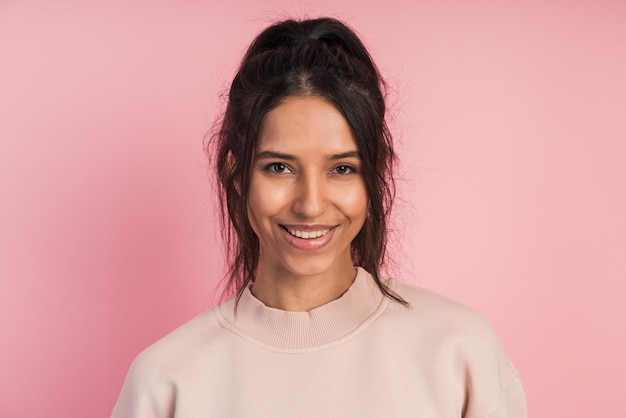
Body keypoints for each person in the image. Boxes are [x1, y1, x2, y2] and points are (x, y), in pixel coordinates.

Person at [111, 17, 527, 417]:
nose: (311, 204)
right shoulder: (167, 382)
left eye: (342, 168)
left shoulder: (458, 353)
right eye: (279, 167)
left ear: (374, 174)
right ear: (238, 174)